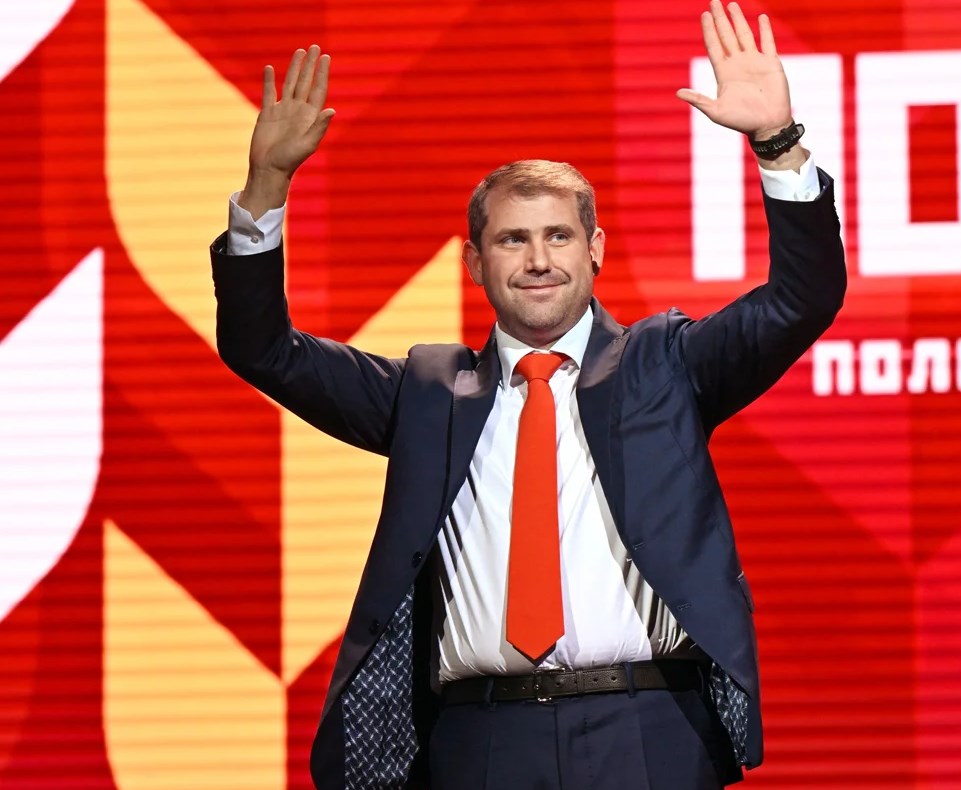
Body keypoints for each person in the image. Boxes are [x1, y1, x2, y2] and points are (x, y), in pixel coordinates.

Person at [211, 1, 845, 787]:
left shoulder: (664, 365)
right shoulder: (429, 394)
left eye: (558, 236)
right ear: (475, 263)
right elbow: (263, 349)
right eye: (513, 239)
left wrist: (777, 144)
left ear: (595, 249)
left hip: (649, 729)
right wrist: (266, 186)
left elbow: (800, 300)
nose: (538, 259)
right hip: (480, 740)